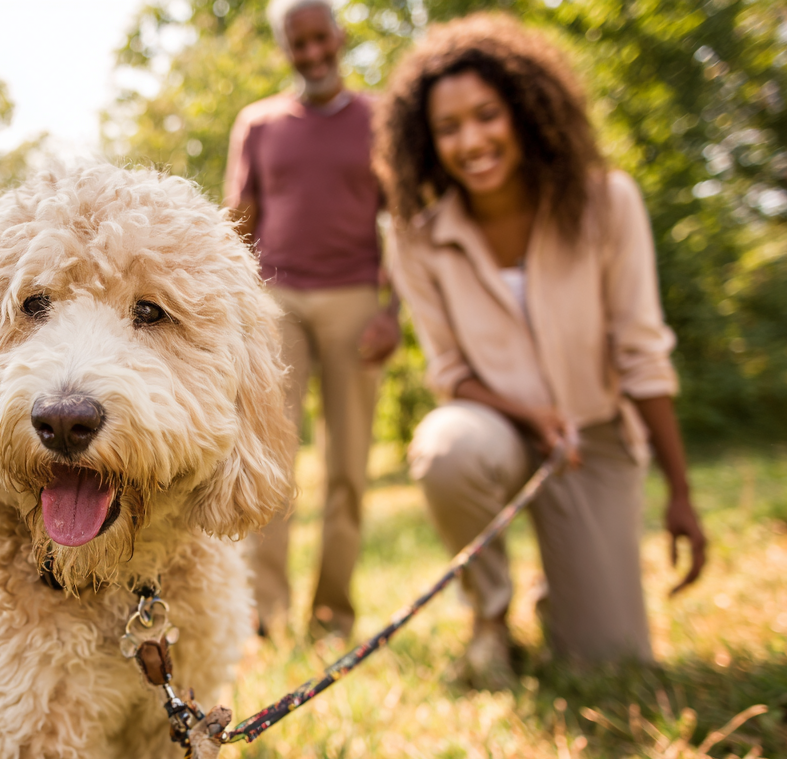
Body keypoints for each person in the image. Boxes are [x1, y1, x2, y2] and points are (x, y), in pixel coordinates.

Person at [372, 13, 707, 686]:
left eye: (487, 115)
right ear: (427, 143)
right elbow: (451, 374)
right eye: (449, 128)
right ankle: (490, 619)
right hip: (495, 428)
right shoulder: (415, 237)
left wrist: (680, 493)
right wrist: (527, 413)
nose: (472, 140)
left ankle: (562, 591)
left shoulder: (607, 202)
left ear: (523, 112)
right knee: (446, 447)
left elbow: (643, 352)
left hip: (596, 439)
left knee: (610, 665)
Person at [225, 0, 400, 641]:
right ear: (285, 49)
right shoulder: (259, 124)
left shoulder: (380, 119)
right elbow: (238, 225)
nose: (313, 54)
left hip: (355, 296)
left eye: (320, 38)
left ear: (340, 36)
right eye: (298, 44)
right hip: (278, 301)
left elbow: (404, 223)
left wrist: (394, 312)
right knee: (268, 458)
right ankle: (261, 615)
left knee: (349, 466)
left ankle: (333, 615)